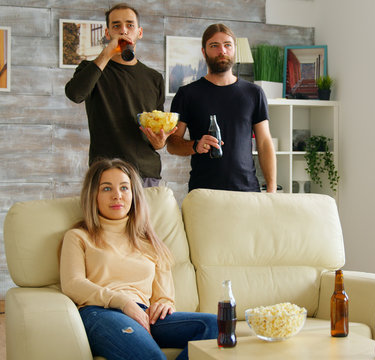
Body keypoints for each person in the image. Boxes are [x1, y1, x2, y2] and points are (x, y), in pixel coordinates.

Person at [60, 158, 217, 360]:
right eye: (106, 189)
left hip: (145, 315)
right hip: (101, 313)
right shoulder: (78, 236)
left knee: (215, 326)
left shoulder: (151, 242)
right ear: (93, 196)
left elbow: (164, 296)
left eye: (124, 188)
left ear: (134, 195)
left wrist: (164, 303)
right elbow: (73, 284)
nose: (117, 195)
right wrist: (122, 301)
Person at [65, 3, 175, 188]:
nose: (123, 30)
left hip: (146, 173)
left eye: (130, 25)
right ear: (108, 34)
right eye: (116, 26)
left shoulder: (154, 78)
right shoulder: (91, 69)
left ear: (139, 32)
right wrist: (106, 54)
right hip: (106, 172)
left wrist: (159, 142)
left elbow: (157, 131)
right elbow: (75, 94)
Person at [166, 23, 277, 193]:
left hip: (247, 192)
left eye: (227, 45)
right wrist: (195, 145)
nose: (222, 51)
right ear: (204, 52)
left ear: (234, 49)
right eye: (214, 45)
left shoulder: (254, 93)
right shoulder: (187, 94)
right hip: (203, 193)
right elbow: (172, 144)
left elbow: (264, 143)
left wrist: (271, 189)